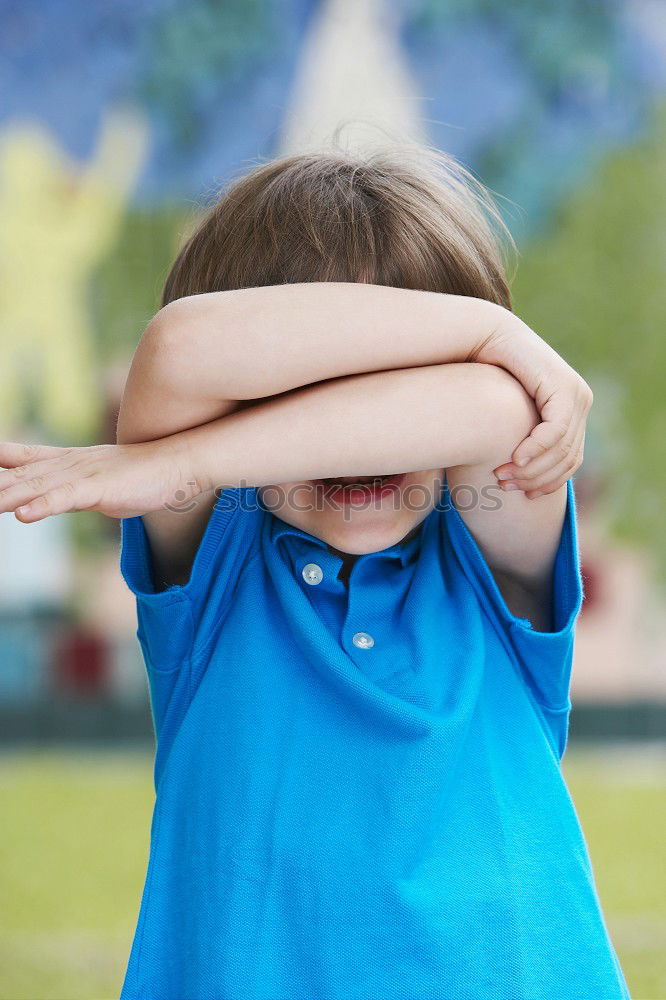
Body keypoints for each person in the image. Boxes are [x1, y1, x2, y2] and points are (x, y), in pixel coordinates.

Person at [0, 146, 631, 1000]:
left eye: (388, 390)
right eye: (308, 392)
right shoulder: (219, 565)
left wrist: (494, 339)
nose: (353, 436)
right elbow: (183, 349)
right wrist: (487, 333)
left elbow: (496, 405)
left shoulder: (487, 560)